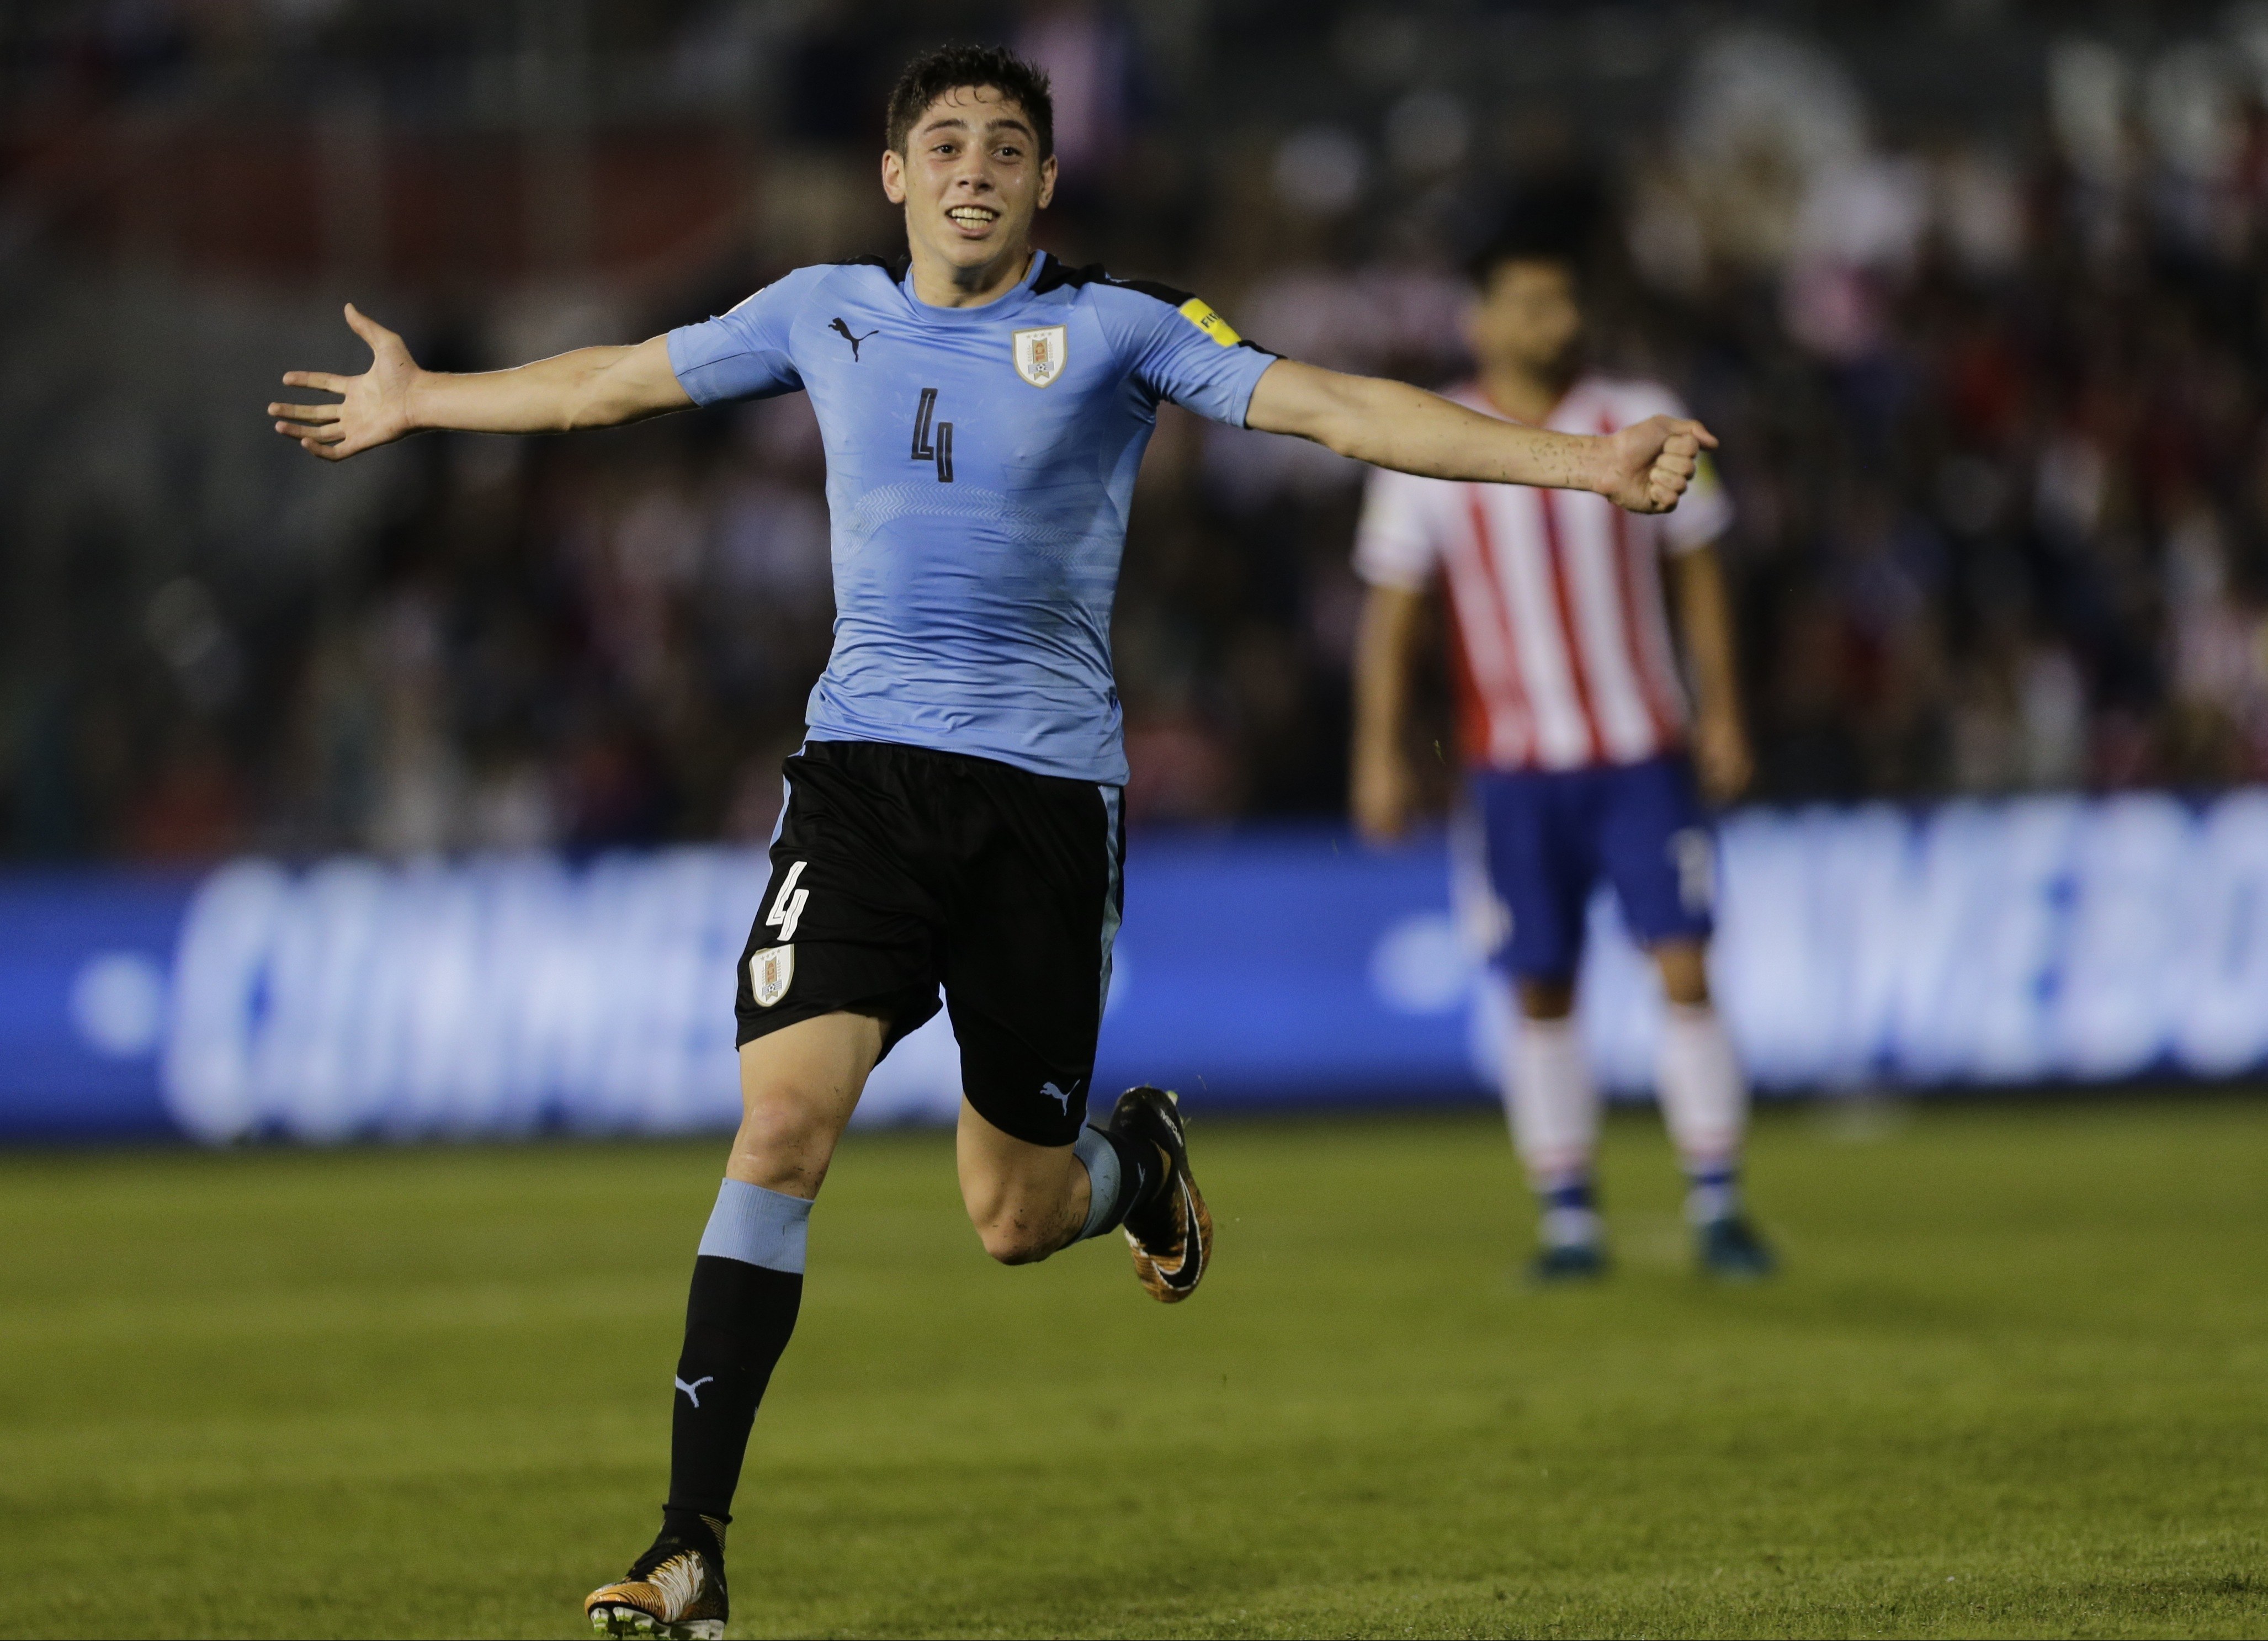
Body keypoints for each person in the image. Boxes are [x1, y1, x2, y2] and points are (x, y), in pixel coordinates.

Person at [269, 47, 1713, 1639]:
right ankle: (688, 1544)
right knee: (776, 1136)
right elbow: (607, 376)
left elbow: (1332, 408)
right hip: (860, 787)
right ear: (891, 175)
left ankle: (1132, 1162)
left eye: (1005, 145)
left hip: (1039, 807)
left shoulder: (1118, 327)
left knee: (1015, 1214)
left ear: (1040, 183)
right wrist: (423, 402)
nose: (972, 165)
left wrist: (1579, 462)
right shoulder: (818, 308)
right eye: (942, 140)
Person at [1347, 219, 1775, 1286]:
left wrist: (1721, 710)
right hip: (1510, 767)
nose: (1554, 321)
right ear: (1478, 318)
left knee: (1682, 960)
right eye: (1530, 301)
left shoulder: (1638, 418)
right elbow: (1392, 617)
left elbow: (1700, 572)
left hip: (1641, 750)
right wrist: (1379, 751)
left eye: (1564, 299)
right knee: (1538, 985)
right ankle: (1569, 1215)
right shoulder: (1426, 444)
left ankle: (1717, 1201)